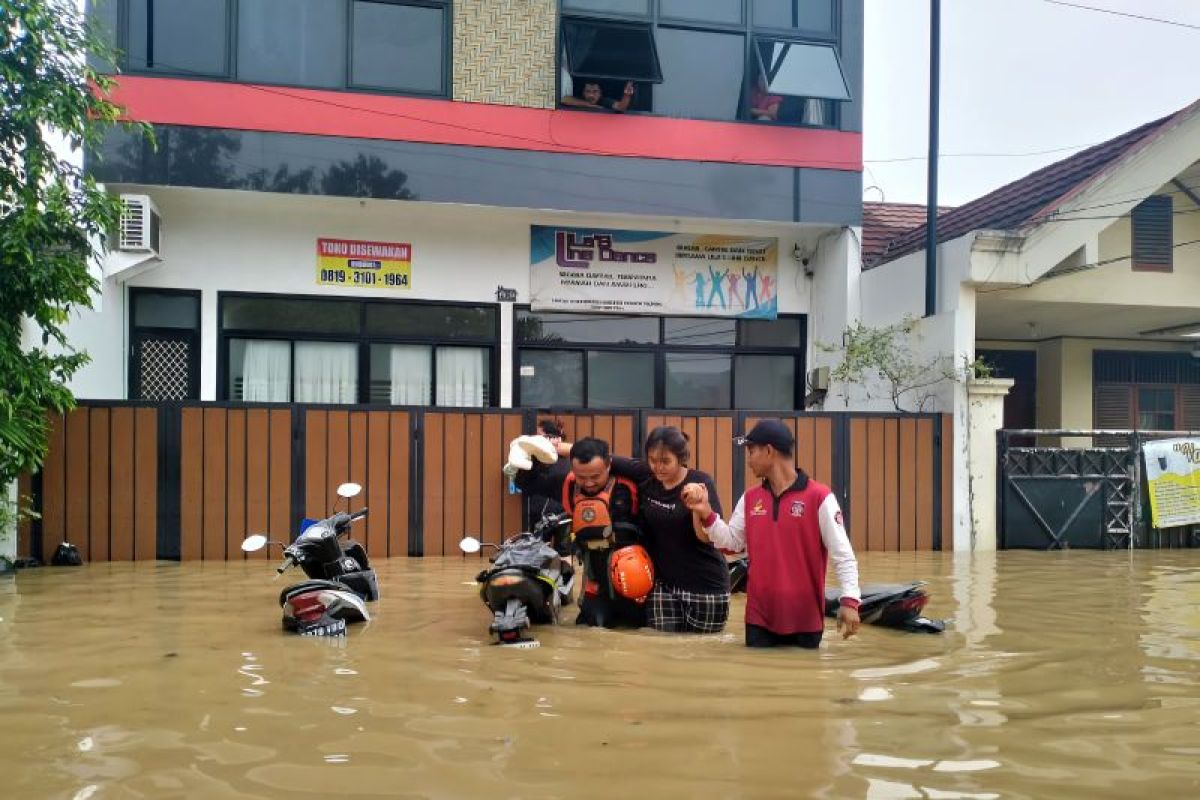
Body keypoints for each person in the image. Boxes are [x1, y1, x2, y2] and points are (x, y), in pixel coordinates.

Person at [681, 419, 861, 649]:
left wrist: (850, 601)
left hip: (805, 620)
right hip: (759, 619)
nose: (748, 460)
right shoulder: (749, 499)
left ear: (768, 451)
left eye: (751, 451)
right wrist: (705, 511)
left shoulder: (820, 497)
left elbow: (842, 554)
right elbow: (731, 544)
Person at [572, 426, 731, 634]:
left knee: (700, 650)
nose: (658, 468)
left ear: (681, 458)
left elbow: (707, 539)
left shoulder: (699, 483)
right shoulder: (647, 478)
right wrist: (554, 446)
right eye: (652, 460)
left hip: (704, 585)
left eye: (665, 461)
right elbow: (603, 460)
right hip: (662, 584)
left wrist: (699, 508)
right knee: (658, 642)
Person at [506, 435, 646, 629]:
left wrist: (563, 447)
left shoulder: (632, 485)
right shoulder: (568, 484)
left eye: (595, 477)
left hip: (635, 579)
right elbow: (527, 482)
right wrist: (528, 454)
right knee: (590, 629)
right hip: (595, 582)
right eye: (582, 477)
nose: (588, 483)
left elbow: (653, 471)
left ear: (609, 466)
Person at [561, 80, 635, 113]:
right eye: (588, 91)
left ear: (600, 93)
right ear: (583, 93)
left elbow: (620, 107)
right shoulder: (580, 99)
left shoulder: (604, 101)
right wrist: (591, 105)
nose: (591, 95)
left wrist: (626, 95)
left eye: (595, 91)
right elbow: (564, 99)